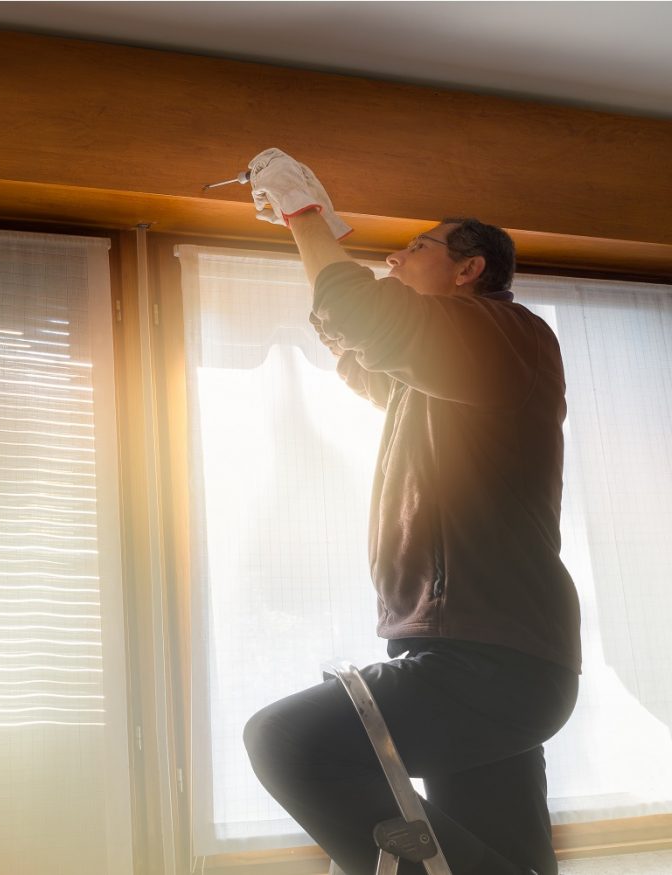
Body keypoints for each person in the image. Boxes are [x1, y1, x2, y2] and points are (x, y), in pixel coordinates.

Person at [240, 149, 581, 875]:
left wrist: (305, 215)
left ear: (470, 269)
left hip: (489, 657)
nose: (394, 259)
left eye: (417, 248)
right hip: (492, 657)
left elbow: (369, 317)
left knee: (287, 741)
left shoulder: (506, 337)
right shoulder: (433, 385)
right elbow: (356, 341)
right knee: (508, 853)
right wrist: (321, 232)